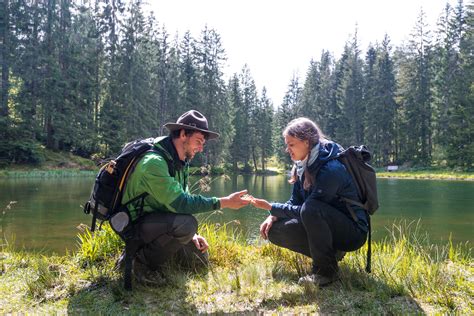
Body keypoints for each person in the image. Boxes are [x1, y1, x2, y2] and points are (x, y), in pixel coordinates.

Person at [120, 109, 250, 285]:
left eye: (203, 143)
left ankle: (151, 256)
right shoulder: (154, 163)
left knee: (199, 259)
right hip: (133, 224)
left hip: (156, 220)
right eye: (198, 141)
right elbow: (181, 203)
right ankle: (138, 263)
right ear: (182, 134)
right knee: (187, 225)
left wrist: (194, 235)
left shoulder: (180, 161)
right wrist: (225, 202)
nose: (201, 148)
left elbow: (181, 199)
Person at [250, 117, 368, 286]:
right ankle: (330, 255)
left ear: (306, 142)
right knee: (274, 230)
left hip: (353, 232)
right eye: (287, 145)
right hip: (327, 226)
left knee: (311, 208)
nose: (287, 150)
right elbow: (295, 201)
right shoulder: (302, 165)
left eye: (291, 145)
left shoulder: (331, 169)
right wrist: (273, 216)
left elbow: (308, 209)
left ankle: (326, 273)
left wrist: (271, 207)